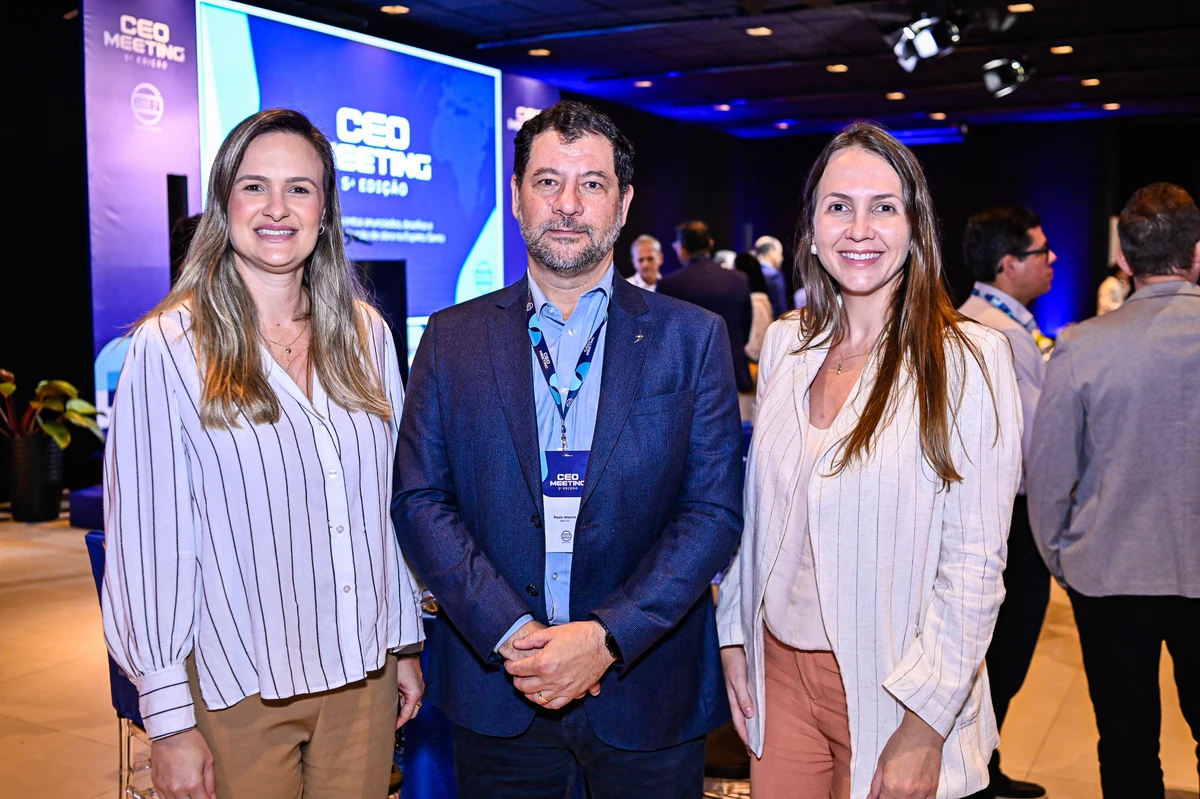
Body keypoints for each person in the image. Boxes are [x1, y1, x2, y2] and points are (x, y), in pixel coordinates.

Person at [392, 100, 744, 799]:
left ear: (623, 203)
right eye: (548, 181)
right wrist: (511, 631)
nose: (568, 205)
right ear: (517, 196)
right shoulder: (451, 338)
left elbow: (712, 514)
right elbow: (421, 498)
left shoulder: (691, 338)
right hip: (500, 687)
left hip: (646, 689)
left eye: (592, 183)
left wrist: (605, 637)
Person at [101, 109, 426, 799]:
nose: (278, 208)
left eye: (300, 189)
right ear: (224, 202)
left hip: (363, 678)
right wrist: (167, 721)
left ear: (325, 208)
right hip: (236, 689)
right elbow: (149, 544)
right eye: (255, 186)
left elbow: (387, 508)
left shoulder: (367, 335)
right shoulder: (168, 347)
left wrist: (404, 642)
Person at [717, 121, 1022, 799]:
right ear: (812, 226)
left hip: (895, 684)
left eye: (883, 206)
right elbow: (757, 511)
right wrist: (734, 637)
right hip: (778, 675)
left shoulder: (969, 359)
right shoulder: (790, 346)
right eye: (838, 206)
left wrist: (925, 723)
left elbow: (974, 565)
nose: (859, 228)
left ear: (915, 226)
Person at [1027, 182, 1200, 799]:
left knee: (1127, 740)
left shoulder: (1082, 347)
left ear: (1124, 259)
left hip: (1110, 571)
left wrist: (1060, 557)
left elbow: (1046, 473)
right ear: (1197, 252)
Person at [958, 206, 1057, 799]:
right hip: (1008, 518)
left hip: (1001, 513)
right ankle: (980, 773)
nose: (1052, 262)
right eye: (1042, 251)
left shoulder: (989, 321)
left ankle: (983, 768)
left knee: (993, 654)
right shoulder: (992, 331)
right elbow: (1028, 440)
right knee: (1002, 652)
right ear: (1008, 264)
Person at [659, 220, 754, 397]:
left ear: (682, 248)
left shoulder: (669, 285)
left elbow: (666, 342)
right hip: (734, 377)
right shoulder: (739, 279)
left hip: (687, 385)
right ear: (710, 244)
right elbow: (745, 331)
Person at [755, 235, 790, 318]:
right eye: (780, 253)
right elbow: (780, 307)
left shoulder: (747, 274)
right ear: (771, 252)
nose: (782, 258)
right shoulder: (774, 275)